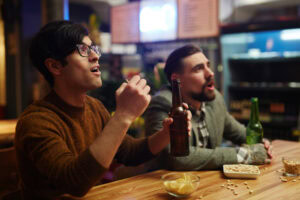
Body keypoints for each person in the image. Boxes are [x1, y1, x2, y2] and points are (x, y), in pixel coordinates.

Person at [14, 21, 191, 200]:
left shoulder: (94, 107)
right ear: (55, 66)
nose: (95, 56)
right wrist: (123, 116)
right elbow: (73, 182)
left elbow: (129, 152)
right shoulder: (36, 121)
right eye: (83, 50)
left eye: (94, 49)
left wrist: (167, 134)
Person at [144, 44, 273, 171]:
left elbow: (238, 132)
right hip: (168, 186)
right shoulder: (163, 104)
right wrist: (247, 155)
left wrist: (260, 143)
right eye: (198, 69)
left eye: (208, 66)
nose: (210, 73)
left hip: (208, 185)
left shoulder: (214, 99)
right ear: (176, 80)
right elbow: (176, 159)